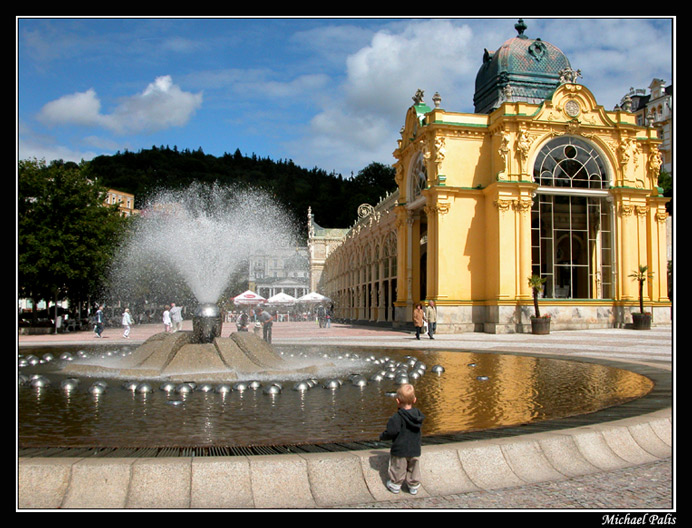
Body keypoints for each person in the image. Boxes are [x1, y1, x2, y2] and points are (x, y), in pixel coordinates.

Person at [379, 383, 425, 495]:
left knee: (398, 468)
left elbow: (391, 432)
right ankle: (413, 485)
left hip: (400, 449)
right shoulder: (418, 416)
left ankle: (395, 484)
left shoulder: (397, 417)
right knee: (414, 467)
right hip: (415, 448)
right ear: (414, 400)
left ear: (398, 401)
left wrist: (382, 436)